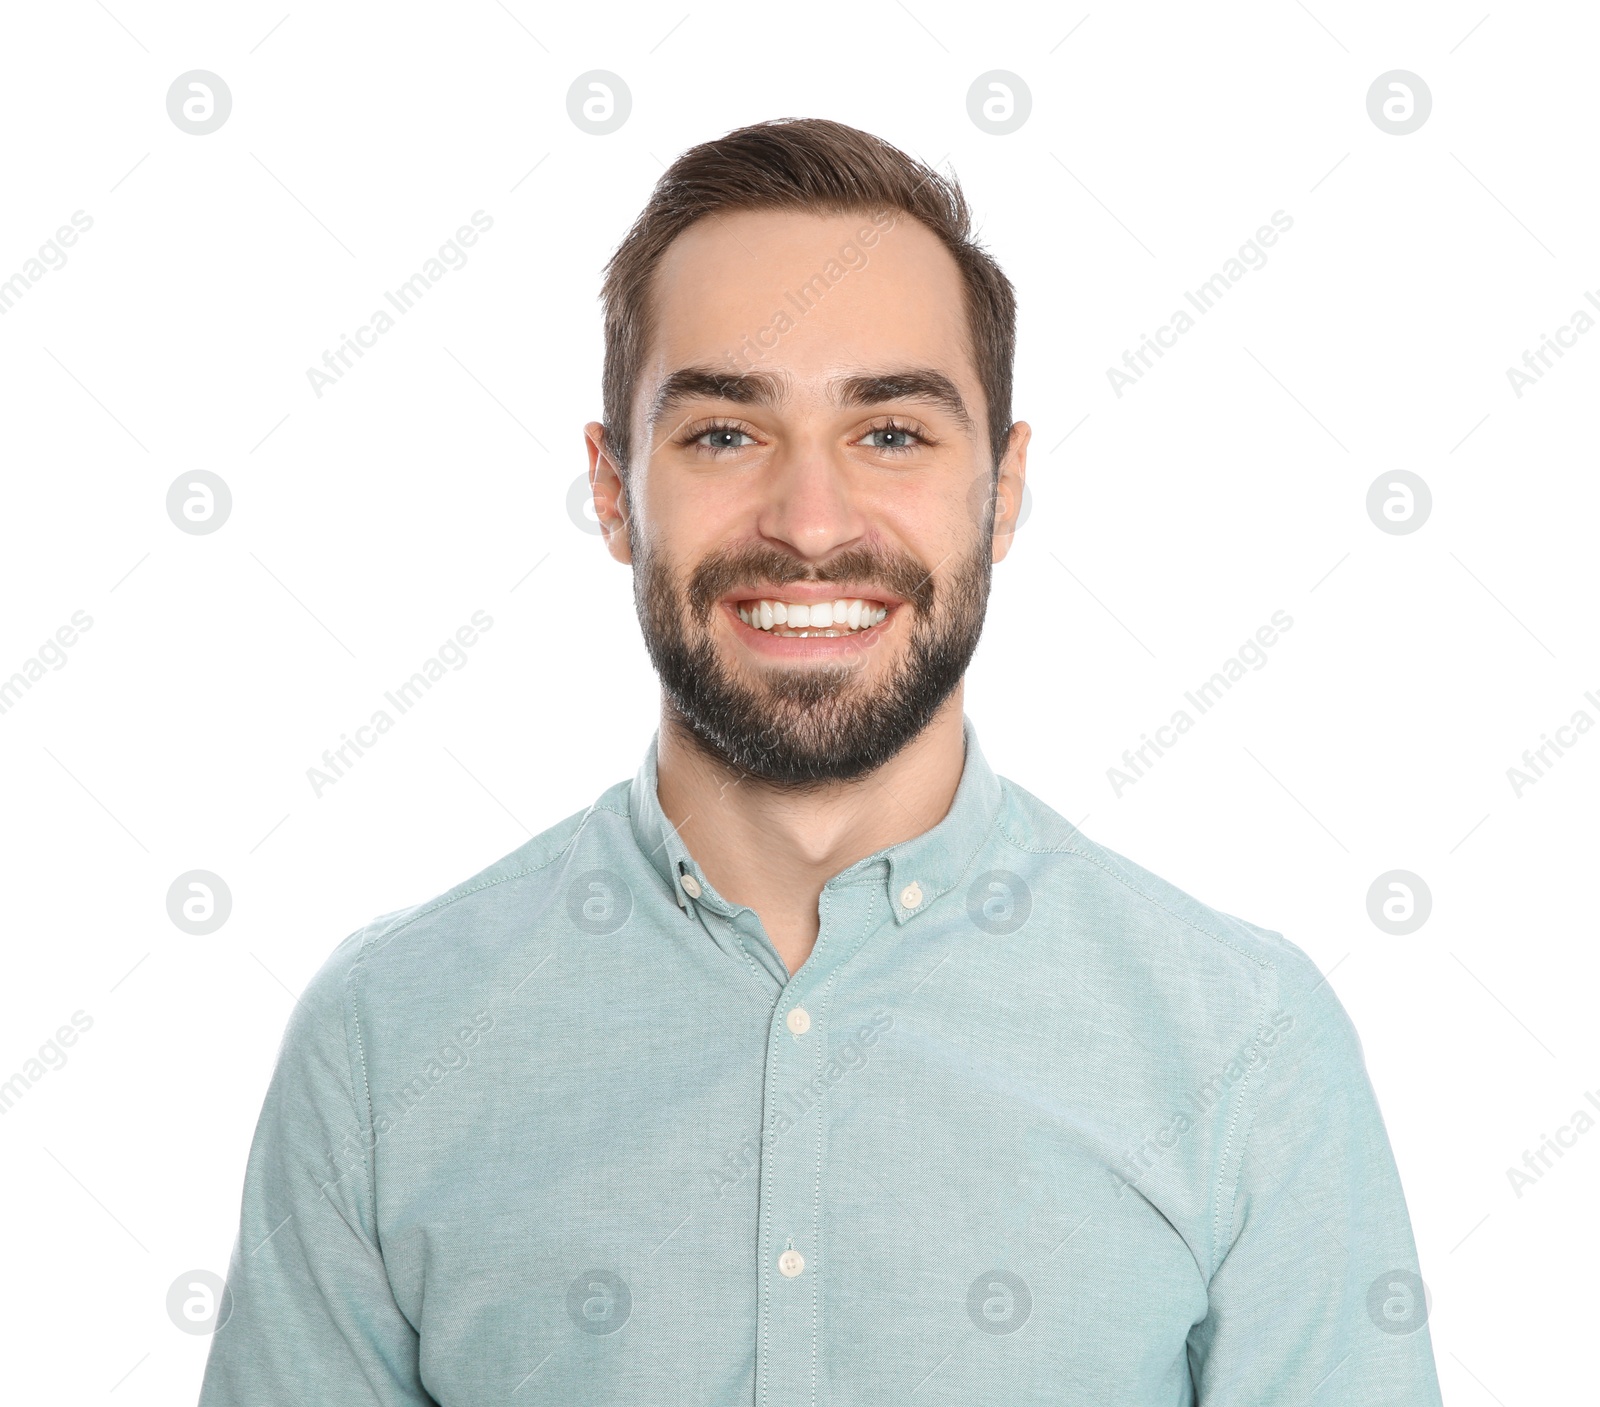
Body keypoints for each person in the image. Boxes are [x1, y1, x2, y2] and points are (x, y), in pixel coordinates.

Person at [199, 117, 1443, 1405]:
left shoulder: (1246, 1045)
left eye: (892, 433)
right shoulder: (384, 1044)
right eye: (725, 434)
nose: (809, 524)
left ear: (1003, 490)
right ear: (615, 488)